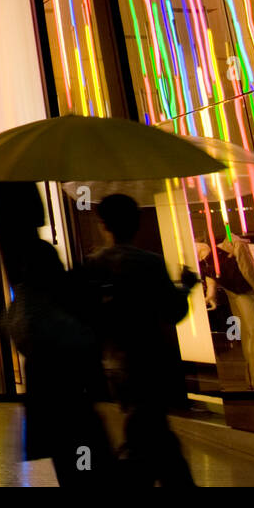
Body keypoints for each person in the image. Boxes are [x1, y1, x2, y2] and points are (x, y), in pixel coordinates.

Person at [0, 182, 112, 486]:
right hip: (62, 363)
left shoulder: (13, 251)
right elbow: (62, 293)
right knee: (81, 444)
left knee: (66, 448)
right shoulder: (36, 251)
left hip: (43, 365)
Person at [80, 194, 197, 486]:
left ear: (103, 224)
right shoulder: (151, 263)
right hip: (152, 359)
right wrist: (185, 287)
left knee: (146, 428)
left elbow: (87, 315)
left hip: (117, 363)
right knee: (152, 429)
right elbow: (173, 311)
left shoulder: (94, 265)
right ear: (137, 223)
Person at [200, 229, 254, 390]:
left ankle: (253, 377)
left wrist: (210, 294)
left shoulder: (216, 249)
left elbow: (211, 274)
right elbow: (251, 273)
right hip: (248, 293)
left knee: (248, 335)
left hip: (235, 295)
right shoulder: (239, 244)